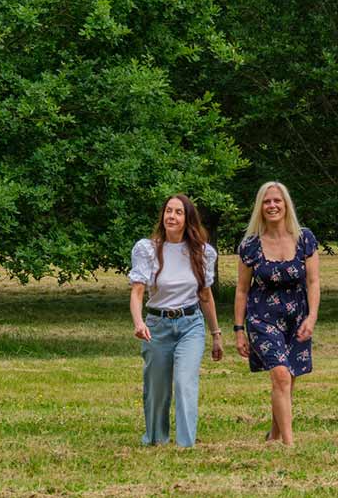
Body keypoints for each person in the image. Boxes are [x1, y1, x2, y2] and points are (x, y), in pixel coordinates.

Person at [128, 193, 223, 447]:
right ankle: (156, 439)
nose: (171, 216)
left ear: (187, 219)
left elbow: (205, 295)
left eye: (178, 212)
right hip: (157, 326)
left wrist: (216, 335)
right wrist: (139, 322)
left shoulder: (202, 253)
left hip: (190, 324)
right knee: (157, 389)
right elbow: (137, 291)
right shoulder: (147, 249)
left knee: (184, 382)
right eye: (168, 211)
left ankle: (185, 443)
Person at [233, 181, 320, 446]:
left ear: (286, 205)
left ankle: (274, 435)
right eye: (267, 202)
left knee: (287, 380)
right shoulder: (250, 246)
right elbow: (241, 290)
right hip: (262, 318)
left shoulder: (305, 238)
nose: (272, 206)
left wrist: (312, 316)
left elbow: (313, 282)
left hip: (297, 317)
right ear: (260, 207)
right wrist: (238, 330)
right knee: (281, 375)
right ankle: (289, 445)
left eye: (277, 201)